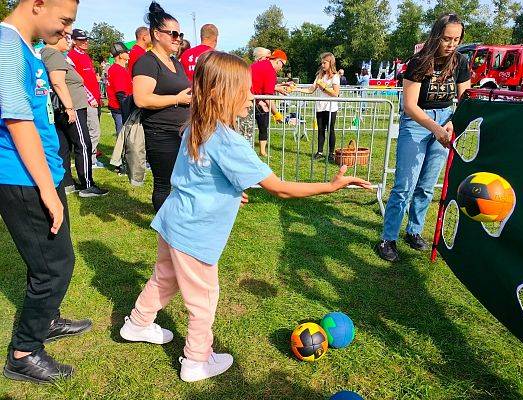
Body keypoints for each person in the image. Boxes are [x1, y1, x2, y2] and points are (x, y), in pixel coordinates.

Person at [119, 50, 372, 383]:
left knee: (164, 277)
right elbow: (279, 188)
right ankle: (196, 359)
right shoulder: (228, 141)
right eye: (245, 89)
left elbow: (199, 174)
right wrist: (330, 186)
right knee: (203, 298)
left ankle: (138, 323)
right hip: (194, 233)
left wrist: (227, 193)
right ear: (222, 94)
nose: (252, 95)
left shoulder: (197, 122)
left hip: (173, 222)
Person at [0, 0, 92, 384]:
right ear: (37, 5)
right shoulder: (6, 46)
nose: (67, 30)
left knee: (52, 257)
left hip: (42, 173)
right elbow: (18, 121)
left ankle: (47, 319)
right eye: (65, 20)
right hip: (22, 177)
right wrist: (46, 189)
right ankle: (24, 353)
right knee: (53, 267)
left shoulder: (26, 45)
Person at [376, 13, 471, 262]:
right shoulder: (419, 61)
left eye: (456, 39)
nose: (451, 44)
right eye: (446, 38)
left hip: (446, 120)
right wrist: (435, 127)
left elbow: (466, 99)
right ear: (436, 35)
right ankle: (388, 238)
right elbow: (410, 105)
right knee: (404, 185)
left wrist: (451, 122)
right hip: (417, 122)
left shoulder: (460, 61)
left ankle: (414, 231)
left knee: (427, 186)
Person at [132, 1, 191, 211]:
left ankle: (175, 219)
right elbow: (142, 99)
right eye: (173, 34)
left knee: (181, 180)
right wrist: (178, 99)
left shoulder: (175, 62)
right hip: (160, 132)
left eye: (180, 34)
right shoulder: (147, 62)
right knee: (164, 183)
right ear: (157, 34)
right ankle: (165, 229)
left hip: (181, 130)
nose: (178, 39)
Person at [41, 34, 108, 198]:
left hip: (67, 108)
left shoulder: (51, 54)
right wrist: (70, 107)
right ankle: (87, 185)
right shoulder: (53, 54)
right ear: (55, 39)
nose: (68, 42)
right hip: (72, 108)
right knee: (83, 145)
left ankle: (67, 183)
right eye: (66, 38)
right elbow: (57, 81)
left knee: (64, 146)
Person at [67, 28, 103, 168]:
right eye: (81, 40)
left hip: (93, 99)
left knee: (91, 130)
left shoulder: (85, 56)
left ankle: (89, 158)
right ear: (74, 41)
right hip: (86, 100)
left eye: (86, 39)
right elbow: (77, 82)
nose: (85, 42)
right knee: (93, 131)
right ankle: (90, 159)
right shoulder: (72, 56)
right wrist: (90, 98)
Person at [296, 53, 341, 162]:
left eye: (324, 62)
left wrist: (324, 87)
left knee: (330, 130)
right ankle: (319, 151)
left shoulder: (335, 77)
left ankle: (331, 153)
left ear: (331, 63)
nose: (322, 65)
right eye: (322, 62)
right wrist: (296, 89)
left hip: (331, 107)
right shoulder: (319, 76)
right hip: (320, 106)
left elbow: (336, 93)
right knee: (320, 130)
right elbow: (311, 90)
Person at [250, 49, 289, 156]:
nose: (282, 68)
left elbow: (260, 85)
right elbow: (268, 98)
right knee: (262, 126)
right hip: (252, 101)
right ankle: (256, 153)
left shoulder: (259, 65)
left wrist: (277, 88)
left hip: (246, 100)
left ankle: (256, 151)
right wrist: (277, 114)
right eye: (282, 65)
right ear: (278, 61)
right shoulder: (270, 71)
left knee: (246, 130)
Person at [106, 41, 132, 135]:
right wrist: (127, 111)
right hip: (120, 109)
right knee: (123, 135)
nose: (128, 53)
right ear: (120, 55)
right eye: (126, 51)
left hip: (118, 108)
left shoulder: (116, 68)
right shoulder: (118, 70)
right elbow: (120, 94)